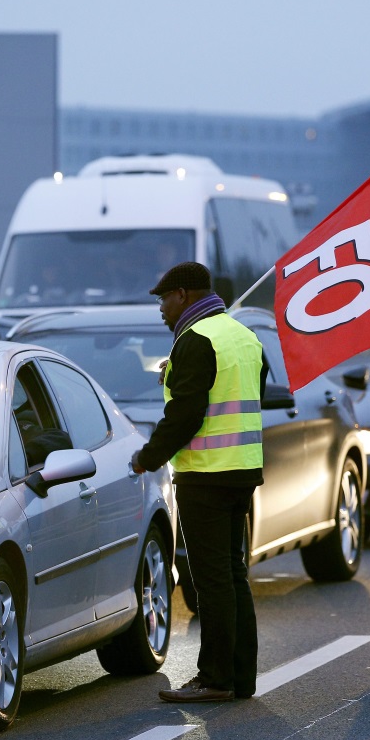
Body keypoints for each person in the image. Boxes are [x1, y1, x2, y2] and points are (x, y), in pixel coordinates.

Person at [130, 261, 267, 703]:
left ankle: (213, 678)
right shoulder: (244, 337)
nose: (161, 309)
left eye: (164, 299)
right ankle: (240, 678)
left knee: (211, 581)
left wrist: (146, 458)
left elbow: (185, 414)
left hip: (206, 475)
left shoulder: (196, 340)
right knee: (233, 574)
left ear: (184, 295)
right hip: (242, 470)